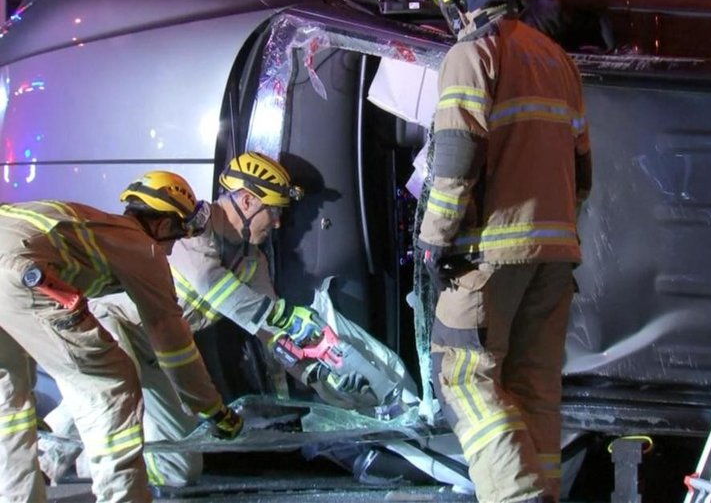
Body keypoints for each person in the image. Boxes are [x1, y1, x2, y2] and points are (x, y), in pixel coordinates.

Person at [42, 151, 414, 488]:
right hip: (111, 326)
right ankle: (44, 454)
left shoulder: (253, 261)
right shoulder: (191, 226)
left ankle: (89, 461)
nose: (280, 223)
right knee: (114, 383)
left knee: (180, 470)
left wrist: (324, 377)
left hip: (155, 353)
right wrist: (281, 315)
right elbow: (214, 288)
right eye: (274, 210)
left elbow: (273, 335)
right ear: (248, 201)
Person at [417, 0, 592, 503]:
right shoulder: (557, 60)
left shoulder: (471, 55)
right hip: (555, 256)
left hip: (489, 256)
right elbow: (583, 169)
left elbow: (456, 160)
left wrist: (434, 240)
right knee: (533, 388)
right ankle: (542, 490)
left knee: (465, 377)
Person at [0, 171, 243, 503]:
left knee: (9, 403)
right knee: (112, 385)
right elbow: (173, 345)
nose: (174, 246)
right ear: (160, 224)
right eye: (178, 230)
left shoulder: (95, 223)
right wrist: (212, 409)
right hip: (24, 275)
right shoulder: (142, 248)